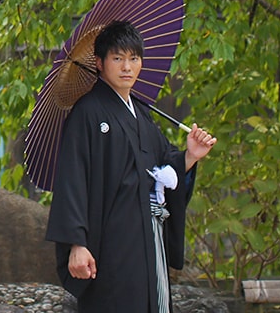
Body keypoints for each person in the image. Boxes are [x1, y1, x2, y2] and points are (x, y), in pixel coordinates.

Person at [46, 20, 216, 313]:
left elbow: (167, 168)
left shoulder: (142, 115)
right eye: (117, 58)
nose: (127, 67)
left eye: (133, 58)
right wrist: (77, 243)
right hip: (109, 241)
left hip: (149, 238)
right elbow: (72, 180)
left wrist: (190, 157)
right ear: (99, 63)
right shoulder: (86, 112)